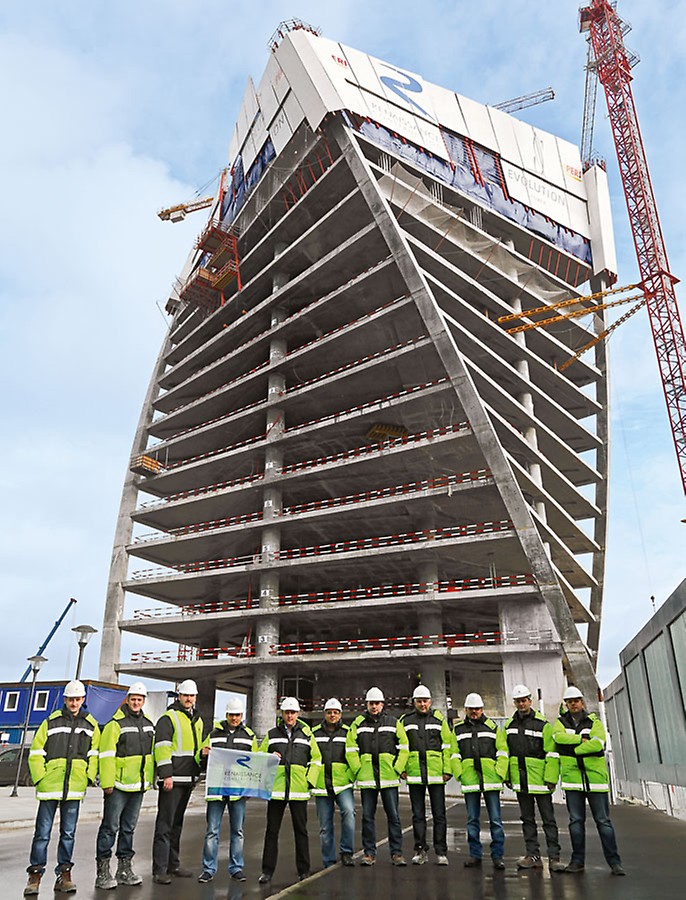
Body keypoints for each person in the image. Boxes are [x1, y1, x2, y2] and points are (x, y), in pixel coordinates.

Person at [24, 680, 100, 895]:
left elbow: (94, 754)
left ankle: (64, 875)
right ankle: (35, 876)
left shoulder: (91, 725)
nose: (74, 702)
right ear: (65, 700)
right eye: (70, 699)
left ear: (83, 700)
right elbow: (37, 751)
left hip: (74, 787)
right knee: (42, 834)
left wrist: (87, 777)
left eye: (77, 699)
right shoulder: (51, 722)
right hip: (50, 786)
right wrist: (40, 778)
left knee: (68, 833)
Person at [552, 685, 625, 876]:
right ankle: (577, 862)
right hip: (573, 781)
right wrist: (582, 741)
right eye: (570, 702)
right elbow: (558, 739)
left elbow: (599, 743)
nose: (573, 704)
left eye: (576, 701)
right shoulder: (560, 722)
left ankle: (615, 862)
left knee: (603, 821)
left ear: (582, 702)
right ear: (566, 704)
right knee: (576, 822)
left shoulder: (594, 721)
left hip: (595, 780)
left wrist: (574, 748)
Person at [95, 681, 155, 889]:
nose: (136, 702)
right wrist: (108, 782)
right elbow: (106, 755)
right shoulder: (115, 724)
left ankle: (124, 869)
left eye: (139, 699)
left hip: (137, 786)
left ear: (143, 701)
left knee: (128, 828)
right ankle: (102, 872)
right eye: (133, 699)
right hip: (118, 786)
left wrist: (148, 780)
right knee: (110, 828)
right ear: (127, 700)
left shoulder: (148, 724)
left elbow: (150, 755)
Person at [258, 697, 322, 885]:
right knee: (271, 832)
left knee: (301, 831)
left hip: (298, 790)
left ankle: (304, 870)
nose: (290, 716)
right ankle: (267, 871)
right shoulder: (271, 734)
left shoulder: (307, 735)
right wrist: (269, 756)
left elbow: (316, 759)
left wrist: (309, 781)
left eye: (293, 712)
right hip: (276, 791)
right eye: (287, 712)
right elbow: (260, 756)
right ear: (282, 714)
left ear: (298, 714)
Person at [503, 684, 565, 872]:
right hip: (521, 782)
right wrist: (507, 776)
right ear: (514, 703)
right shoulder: (509, 726)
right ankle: (533, 856)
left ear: (530, 701)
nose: (522, 704)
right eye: (518, 701)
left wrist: (551, 779)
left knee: (548, 820)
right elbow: (505, 752)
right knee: (527, 820)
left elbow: (552, 754)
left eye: (524, 700)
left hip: (540, 782)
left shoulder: (543, 724)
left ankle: (554, 857)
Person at [346, 687, 409, 867]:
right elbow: (350, 749)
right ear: (367, 704)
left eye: (377, 703)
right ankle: (369, 854)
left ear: (382, 704)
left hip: (389, 777)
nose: (374, 706)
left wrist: (397, 768)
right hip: (367, 778)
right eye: (371, 703)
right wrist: (358, 769)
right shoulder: (358, 724)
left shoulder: (393, 722)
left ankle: (396, 854)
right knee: (367, 817)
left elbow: (404, 747)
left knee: (394, 816)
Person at [197, 698, 258, 884]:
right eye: (232, 715)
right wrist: (202, 753)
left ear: (242, 716)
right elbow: (200, 757)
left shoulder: (249, 736)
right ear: (227, 715)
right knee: (212, 831)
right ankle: (208, 870)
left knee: (237, 831)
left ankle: (236, 868)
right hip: (217, 789)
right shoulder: (214, 734)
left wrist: (250, 788)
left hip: (238, 791)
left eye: (237, 715)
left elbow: (254, 764)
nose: (234, 718)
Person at [151, 679, 204, 884]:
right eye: (185, 695)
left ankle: (173, 864)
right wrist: (166, 775)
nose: (189, 699)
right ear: (179, 696)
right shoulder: (168, 718)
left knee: (177, 824)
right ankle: (160, 869)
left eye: (192, 696)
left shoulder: (197, 721)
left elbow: (196, 749)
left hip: (188, 779)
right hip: (172, 781)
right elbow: (162, 747)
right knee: (164, 824)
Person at [451, 692, 508, 870]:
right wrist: (460, 774)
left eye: (477, 709)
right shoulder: (458, 729)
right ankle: (475, 854)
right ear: (466, 710)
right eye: (471, 709)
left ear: (482, 709)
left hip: (491, 779)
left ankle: (497, 856)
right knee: (472, 820)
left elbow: (502, 751)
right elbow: (454, 754)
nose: (474, 712)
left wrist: (499, 773)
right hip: (470, 780)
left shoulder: (492, 727)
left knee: (496, 820)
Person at [400, 685, 452, 866]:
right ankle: (420, 850)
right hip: (414, 773)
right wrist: (401, 768)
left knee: (439, 815)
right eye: (419, 701)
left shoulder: (439, 720)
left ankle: (441, 851)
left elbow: (447, 746)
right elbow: (400, 746)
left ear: (430, 701)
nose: (422, 704)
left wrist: (448, 770)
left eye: (425, 701)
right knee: (418, 815)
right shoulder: (405, 721)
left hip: (436, 774)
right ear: (414, 702)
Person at [311, 698, 356, 868]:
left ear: (340, 714)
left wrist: (350, 776)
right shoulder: (314, 733)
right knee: (325, 826)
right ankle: (328, 860)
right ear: (325, 714)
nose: (332, 715)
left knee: (349, 813)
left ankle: (346, 852)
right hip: (322, 785)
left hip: (342, 783)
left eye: (335, 712)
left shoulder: (348, 732)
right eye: (329, 712)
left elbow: (354, 755)